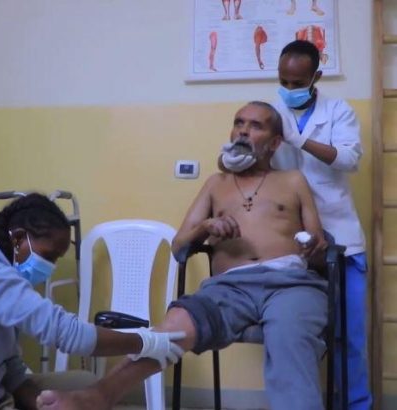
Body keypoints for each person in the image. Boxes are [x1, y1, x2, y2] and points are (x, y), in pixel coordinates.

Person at [36, 101, 330, 410]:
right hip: (229, 289)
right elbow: (179, 247)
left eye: (256, 126)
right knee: (173, 326)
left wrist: (314, 248)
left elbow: (318, 248)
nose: (243, 131)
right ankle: (99, 396)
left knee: (289, 337)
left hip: (289, 283)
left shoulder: (293, 180)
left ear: (275, 142)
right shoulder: (216, 184)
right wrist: (206, 226)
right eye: (239, 122)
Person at [0, 193, 185, 410]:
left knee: (85, 384)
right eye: (49, 256)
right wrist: (146, 342)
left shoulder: (7, 280)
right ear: (18, 239)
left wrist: (43, 404)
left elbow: (11, 370)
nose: (50, 267)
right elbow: (65, 332)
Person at [272, 39, 371, 409]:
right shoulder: (270, 110)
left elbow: (348, 158)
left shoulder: (338, 111)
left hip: (340, 238)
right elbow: (247, 151)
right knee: (292, 334)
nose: (289, 89)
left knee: (348, 335)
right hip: (287, 241)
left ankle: (356, 405)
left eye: (298, 83)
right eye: (283, 81)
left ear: (317, 76)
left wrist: (300, 139)